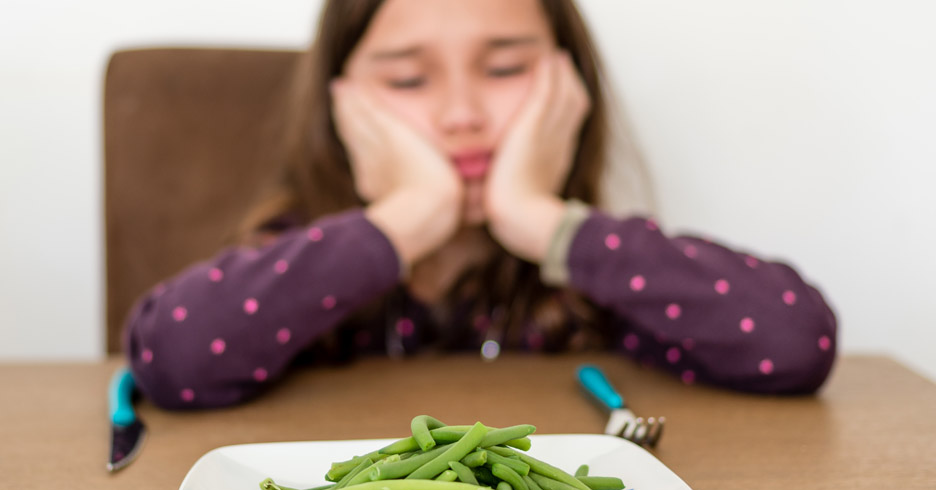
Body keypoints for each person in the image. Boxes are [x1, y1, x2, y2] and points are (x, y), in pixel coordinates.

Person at [122, 0, 837, 410]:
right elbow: (173, 357)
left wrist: (541, 220)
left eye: (503, 69)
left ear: (570, 86)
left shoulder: (601, 272)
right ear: (341, 106)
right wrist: (408, 217)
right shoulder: (304, 254)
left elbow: (793, 342)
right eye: (407, 80)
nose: (462, 114)